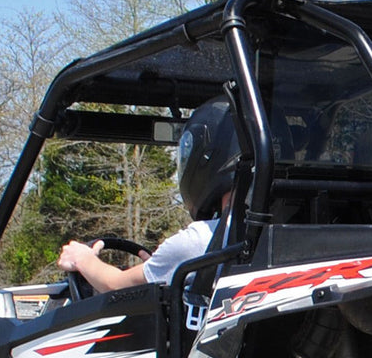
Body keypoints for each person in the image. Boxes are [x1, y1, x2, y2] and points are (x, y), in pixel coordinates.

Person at [57, 96, 241, 293]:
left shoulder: (201, 241)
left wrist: (82, 259)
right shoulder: (265, 240)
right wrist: (155, 267)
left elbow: (116, 285)